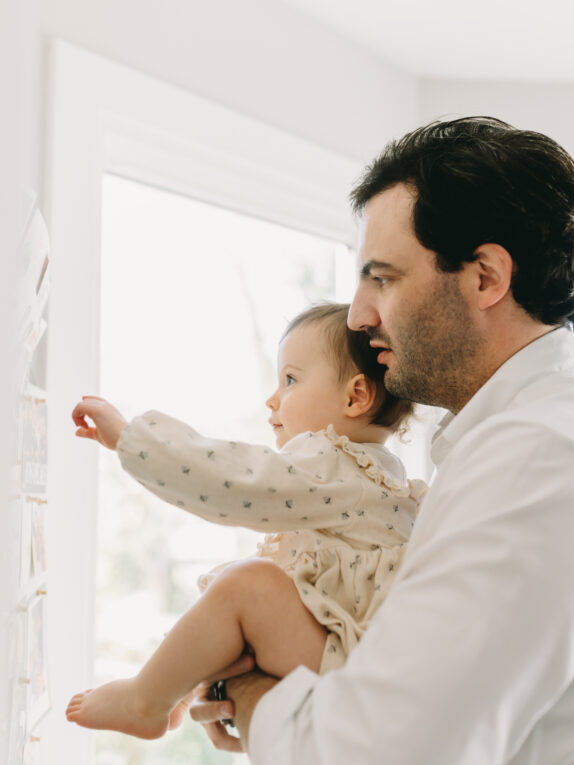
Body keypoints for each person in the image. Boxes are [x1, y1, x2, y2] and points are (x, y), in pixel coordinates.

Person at [189, 117, 574, 765]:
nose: (360, 317)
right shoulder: (552, 437)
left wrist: (255, 696)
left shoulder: (539, 462)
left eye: (382, 277)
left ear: (485, 277)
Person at [65, 303, 424, 739]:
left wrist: (130, 438)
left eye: (290, 380)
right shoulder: (385, 478)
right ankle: (172, 692)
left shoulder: (335, 464)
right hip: (356, 661)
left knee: (246, 584)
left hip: (348, 664)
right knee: (241, 579)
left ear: (355, 396)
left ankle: (145, 699)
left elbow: (236, 480)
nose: (273, 399)